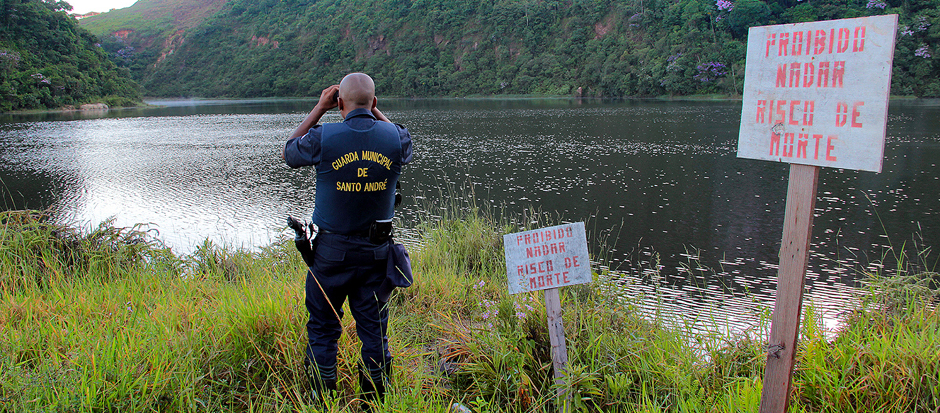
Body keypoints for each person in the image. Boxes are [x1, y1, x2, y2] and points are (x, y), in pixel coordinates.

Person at [282, 73, 413, 406]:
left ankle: (323, 401)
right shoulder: (395, 139)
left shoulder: (324, 137)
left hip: (330, 255)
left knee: (324, 329)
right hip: (375, 256)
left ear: (338, 103)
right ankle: (374, 404)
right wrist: (375, 111)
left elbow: (289, 152)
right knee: (374, 334)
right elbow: (402, 140)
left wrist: (319, 109)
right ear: (374, 102)